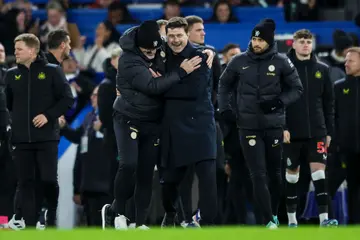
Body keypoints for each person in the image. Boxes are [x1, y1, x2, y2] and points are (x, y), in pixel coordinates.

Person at [101, 20, 202, 230]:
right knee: (128, 164)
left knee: (146, 172)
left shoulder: (160, 47)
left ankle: (138, 223)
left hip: (153, 121)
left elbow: (183, 47)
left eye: (154, 49)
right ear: (138, 45)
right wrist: (179, 73)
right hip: (128, 117)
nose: (151, 53)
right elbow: (152, 86)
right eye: (147, 51)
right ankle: (116, 211)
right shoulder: (127, 59)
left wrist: (207, 52)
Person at [218, 18, 303, 229]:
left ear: (269, 42)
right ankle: (266, 221)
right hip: (247, 126)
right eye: (254, 39)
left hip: (273, 125)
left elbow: (297, 89)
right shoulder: (238, 61)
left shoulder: (282, 61)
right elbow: (223, 84)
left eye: (260, 40)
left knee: (275, 176)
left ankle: (272, 214)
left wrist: (278, 102)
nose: (256, 43)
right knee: (257, 174)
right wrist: (225, 108)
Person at [5, 33, 73, 230]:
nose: (15, 52)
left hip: (46, 139)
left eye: (19, 49)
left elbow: (67, 99)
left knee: (49, 179)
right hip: (21, 140)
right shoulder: (11, 75)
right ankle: (30, 224)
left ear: (32, 51)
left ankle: (50, 216)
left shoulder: (52, 71)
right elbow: (9, 103)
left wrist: (48, 115)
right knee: (25, 182)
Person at [160, 17, 217, 228]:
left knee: (208, 179)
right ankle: (180, 218)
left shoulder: (201, 56)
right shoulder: (161, 56)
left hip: (201, 125)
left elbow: (194, 91)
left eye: (179, 35)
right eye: (171, 36)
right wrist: (180, 73)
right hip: (174, 128)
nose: (175, 40)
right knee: (172, 181)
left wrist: (165, 85)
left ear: (187, 35)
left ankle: (208, 224)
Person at [284, 29, 337, 227]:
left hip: (317, 132)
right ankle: (291, 221)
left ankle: (324, 219)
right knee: (292, 176)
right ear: (294, 44)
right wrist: (283, 127)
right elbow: (279, 102)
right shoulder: (285, 69)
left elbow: (328, 103)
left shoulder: (323, 69)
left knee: (319, 174)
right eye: (302, 41)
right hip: (291, 133)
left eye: (309, 41)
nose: (306, 44)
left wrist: (329, 131)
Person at [330, 47, 360, 224]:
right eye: (346, 60)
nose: (346, 63)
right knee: (347, 191)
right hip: (345, 152)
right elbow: (332, 119)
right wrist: (336, 145)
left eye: (351, 61)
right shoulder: (339, 87)